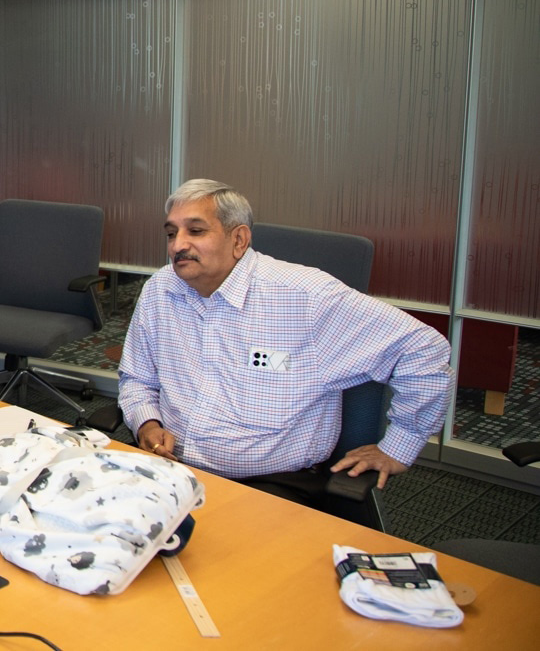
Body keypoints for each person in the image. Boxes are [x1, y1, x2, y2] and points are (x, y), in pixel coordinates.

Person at [117, 179, 455, 508]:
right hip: (172, 469)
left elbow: (424, 350)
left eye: (196, 230)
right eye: (171, 233)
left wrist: (399, 446)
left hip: (271, 484)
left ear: (239, 240)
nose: (178, 246)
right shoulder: (161, 290)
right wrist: (147, 422)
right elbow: (137, 378)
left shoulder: (306, 298)